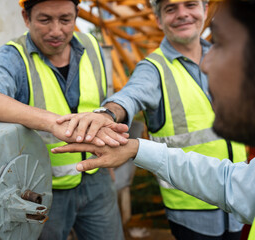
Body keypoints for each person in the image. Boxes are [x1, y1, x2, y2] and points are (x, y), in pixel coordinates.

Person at [52, 0, 255, 238]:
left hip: (237, 198)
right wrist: (107, 113)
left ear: (205, 10)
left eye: (190, 4)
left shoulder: (225, 57)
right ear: (158, 20)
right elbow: (131, 94)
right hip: (192, 206)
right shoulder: (153, 68)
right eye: (171, 8)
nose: (182, 14)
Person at [0, 0, 128, 239]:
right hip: (42, 191)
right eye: (45, 19)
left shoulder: (92, 46)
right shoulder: (13, 57)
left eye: (65, 20)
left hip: (97, 179)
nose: (56, 30)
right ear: (26, 18)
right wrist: (53, 122)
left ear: (77, 16)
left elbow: (99, 101)